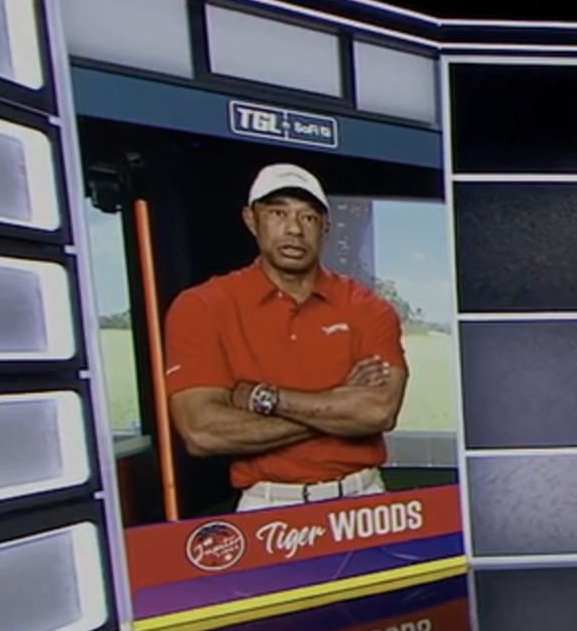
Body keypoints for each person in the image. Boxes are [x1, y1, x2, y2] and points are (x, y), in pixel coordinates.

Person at [164, 163, 408, 512]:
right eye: (278, 213)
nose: (294, 229)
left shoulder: (368, 308)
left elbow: (377, 412)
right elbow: (202, 432)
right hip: (269, 505)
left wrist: (265, 398)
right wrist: (338, 407)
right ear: (251, 220)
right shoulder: (202, 306)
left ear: (325, 227)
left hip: (362, 498)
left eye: (308, 217)